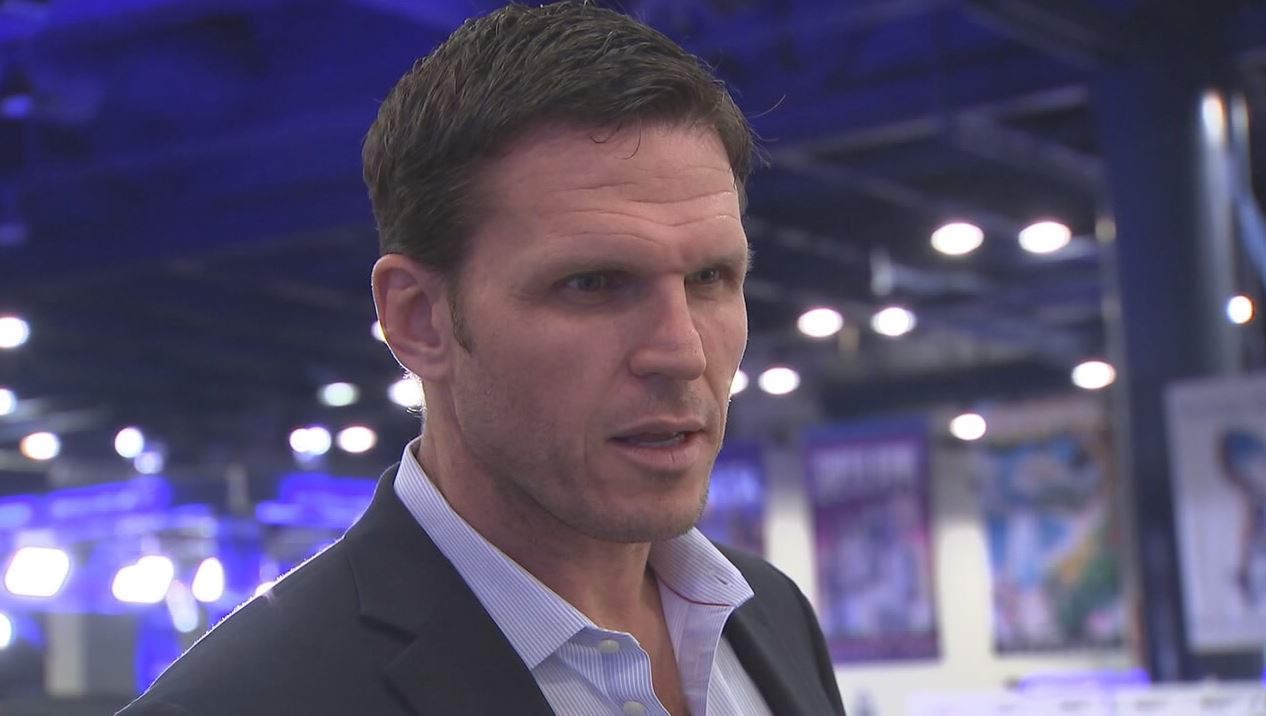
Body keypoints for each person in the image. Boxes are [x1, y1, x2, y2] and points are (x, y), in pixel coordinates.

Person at [118, 3, 846, 714]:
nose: (681, 352)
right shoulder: (245, 700)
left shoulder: (771, 617)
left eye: (710, 278)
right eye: (592, 284)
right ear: (419, 319)